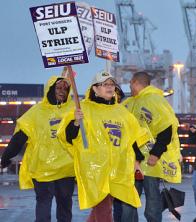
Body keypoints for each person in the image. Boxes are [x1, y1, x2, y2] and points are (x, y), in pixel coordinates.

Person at [57, 71, 148, 222]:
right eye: (105, 84)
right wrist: (75, 122)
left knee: (102, 210)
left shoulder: (121, 112)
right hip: (95, 169)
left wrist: (137, 161)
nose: (110, 87)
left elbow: (132, 137)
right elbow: (68, 137)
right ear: (95, 88)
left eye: (112, 84)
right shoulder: (84, 108)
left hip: (117, 169)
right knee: (104, 210)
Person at [0, 76, 75, 222]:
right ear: (51, 89)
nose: (62, 91)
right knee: (44, 207)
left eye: (65, 88)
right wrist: (7, 156)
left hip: (66, 168)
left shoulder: (74, 110)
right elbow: (19, 138)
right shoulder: (36, 112)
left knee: (65, 208)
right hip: (43, 169)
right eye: (58, 88)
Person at [120, 71, 182, 222]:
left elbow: (166, 127)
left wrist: (155, 154)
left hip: (150, 163)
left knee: (152, 205)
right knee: (128, 203)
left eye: (130, 84)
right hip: (132, 161)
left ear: (135, 82)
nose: (130, 88)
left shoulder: (154, 100)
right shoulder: (131, 102)